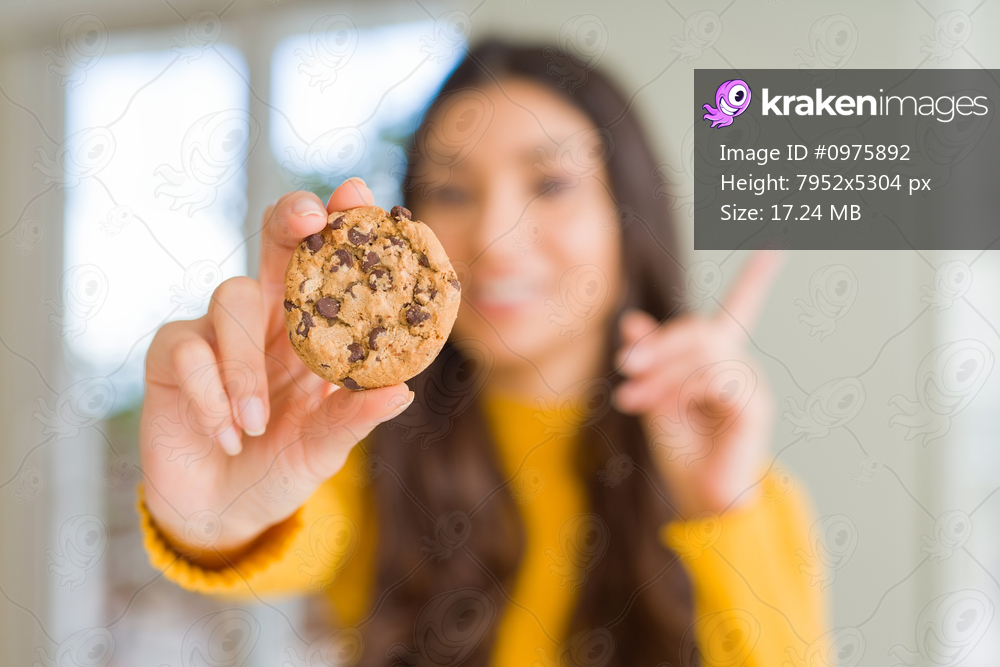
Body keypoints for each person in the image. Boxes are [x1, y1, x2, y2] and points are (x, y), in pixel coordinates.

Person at [137, 40, 827, 666]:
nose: (494, 236)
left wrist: (719, 511)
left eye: (550, 184)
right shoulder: (358, 455)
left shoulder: (743, 493)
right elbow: (266, 522)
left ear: (629, 216)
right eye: (452, 191)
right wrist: (215, 512)